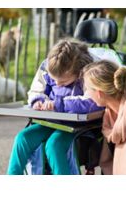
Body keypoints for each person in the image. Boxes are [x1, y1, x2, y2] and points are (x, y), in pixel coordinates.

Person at [7, 38, 104, 175]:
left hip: (77, 126)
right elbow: (36, 89)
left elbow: (94, 102)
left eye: (63, 81)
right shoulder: (48, 66)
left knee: (54, 144)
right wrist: (38, 101)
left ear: (78, 72)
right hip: (50, 121)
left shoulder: (91, 72)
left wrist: (59, 104)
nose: (57, 84)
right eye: (54, 79)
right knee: (23, 138)